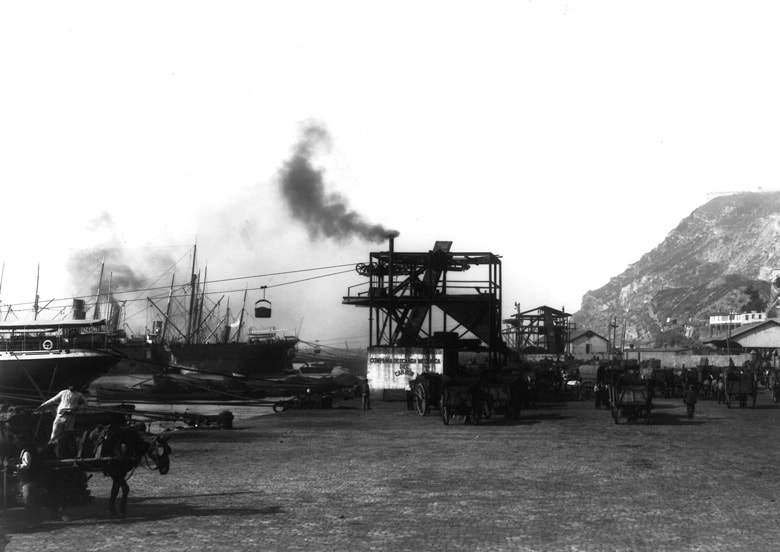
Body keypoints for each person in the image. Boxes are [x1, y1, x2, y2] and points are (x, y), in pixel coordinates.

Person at [35, 384, 88, 449]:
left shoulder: (79, 395)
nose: (71, 387)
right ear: (68, 386)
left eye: (73, 386)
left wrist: (79, 407)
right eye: (70, 386)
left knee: (67, 434)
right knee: (54, 433)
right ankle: (50, 448)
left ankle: (65, 448)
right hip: (60, 415)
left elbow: (86, 404)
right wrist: (43, 405)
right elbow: (53, 400)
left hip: (70, 417)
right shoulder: (63, 392)